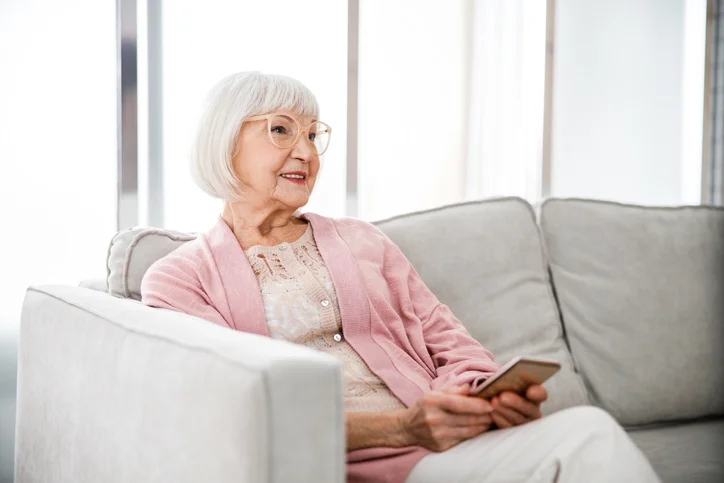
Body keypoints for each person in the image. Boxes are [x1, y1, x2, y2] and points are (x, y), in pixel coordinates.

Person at [141, 71, 660, 483]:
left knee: (585, 433)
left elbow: (454, 345)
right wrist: (404, 427)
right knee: (588, 436)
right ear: (224, 142)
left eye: (313, 134)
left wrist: (476, 401)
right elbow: (233, 416)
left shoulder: (363, 240)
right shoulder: (180, 281)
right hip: (346, 465)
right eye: (281, 129)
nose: (306, 151)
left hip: (446, 449)